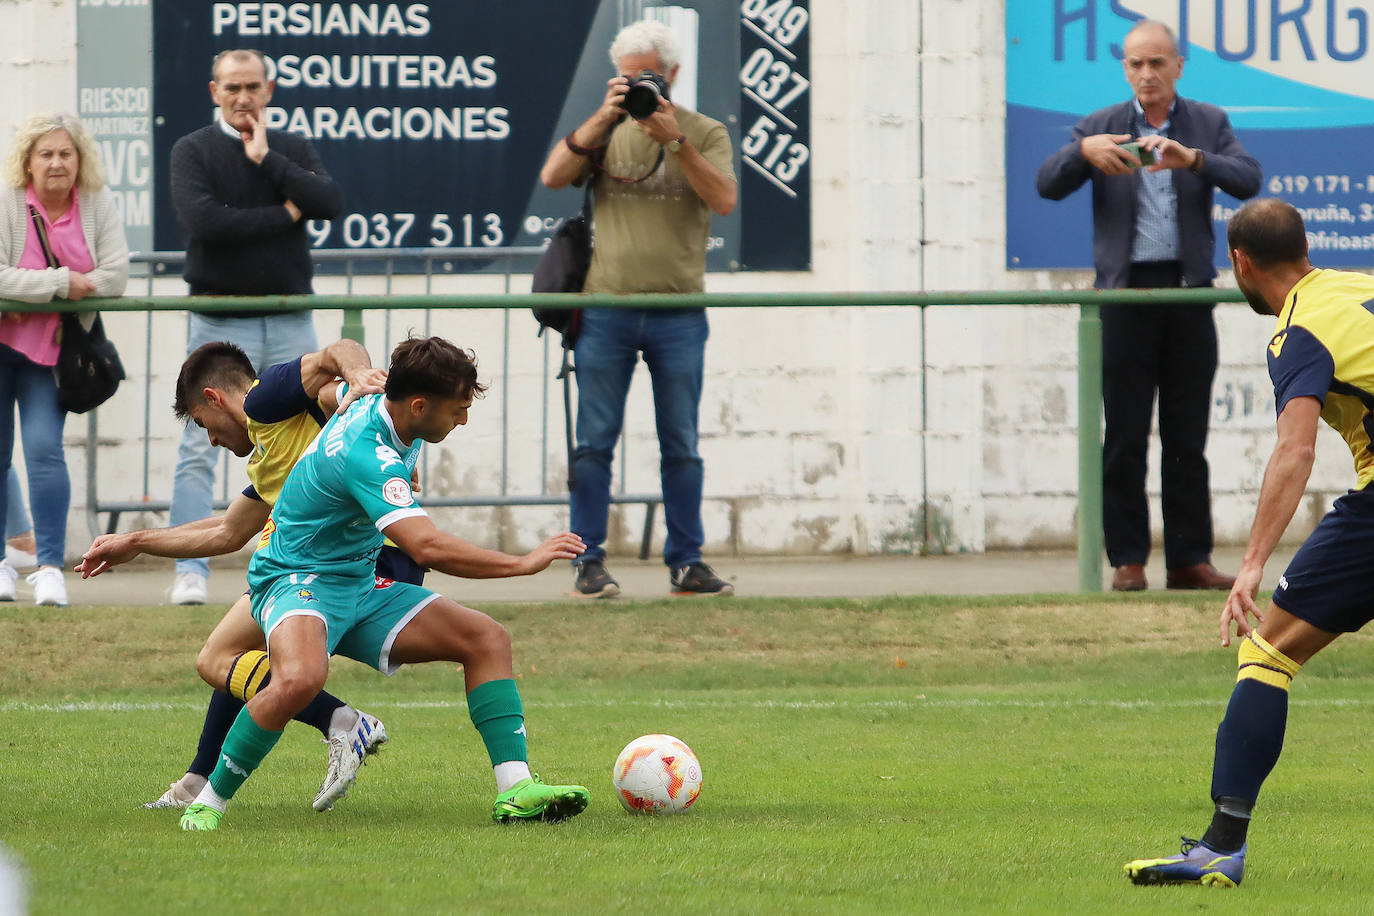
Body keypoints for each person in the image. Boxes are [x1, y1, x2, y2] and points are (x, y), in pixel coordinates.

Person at [176, 337, 590, 831]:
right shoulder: (366, 452)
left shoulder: (388, 408)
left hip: (357, 580)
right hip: (293, 579)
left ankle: (517, 788)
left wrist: (356, 374)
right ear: (419, 405)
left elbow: (345, 368)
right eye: (458, 410)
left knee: (486, 638)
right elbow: (427, 547)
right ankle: (210, 801)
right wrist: (522, 563)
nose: (463, 421)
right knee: (300, 679)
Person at [1123, 198, 1374, 886]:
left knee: (1266, 652)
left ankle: (1221, 845)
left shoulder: (1298, 332)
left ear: (1240, 263)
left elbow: (1294, 453)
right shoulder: (1359, 286)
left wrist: (1252, 565)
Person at [78, 338, 405, 812]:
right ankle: (198, 780)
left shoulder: (265, 400)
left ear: (213, 398)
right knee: (233, 652)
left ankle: (342, 722)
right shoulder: (273, 452)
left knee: (220, 655)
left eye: (200, 423)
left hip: (364, 561)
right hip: (359, 560)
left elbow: (341, 351)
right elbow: (228, 531)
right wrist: (135, 542)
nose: (209, 438)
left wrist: (358, 377)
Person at [1036, 20, 1262, 592]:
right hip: (1123, 294)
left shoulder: (1207, 122)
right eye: (1136, 63)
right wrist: (1081, 151)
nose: (1147, 74)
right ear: (1125, 69)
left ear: (1178, 67)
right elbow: (1047, 185)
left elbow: (1249, 179)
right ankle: (1127, 559)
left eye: (1157, 62)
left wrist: (1194, 160)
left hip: (1187, 294)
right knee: (1125, 434)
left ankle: (1189, 560)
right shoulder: (1102, 127)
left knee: (1187, 435)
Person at [539, 19, 737, 599]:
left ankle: (688, 561)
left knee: (681, 442)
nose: (638, 87)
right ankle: (588, 560)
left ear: (673, 74)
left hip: (679, 310)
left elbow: (724, 199)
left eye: (647, 76)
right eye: (626, 78)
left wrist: (674, 139)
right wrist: (605, 115)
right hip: (606, 310)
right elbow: (553, 175)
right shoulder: (604, 131)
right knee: (594, 441)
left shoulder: (706, 131)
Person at [166, 48, 342, 605]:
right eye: (231, 87)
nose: (243, 97)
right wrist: (286, 215)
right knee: (200, 446)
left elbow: (328, 202)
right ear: (214, 91)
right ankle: (191, 571)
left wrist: (268, 161)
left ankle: (306, 556)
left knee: (311, 437)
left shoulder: (286, 147)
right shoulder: (192, 149)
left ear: (269, 89)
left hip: (289, 317)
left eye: (252, 87)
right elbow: (207, 224)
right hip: (218, 320)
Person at [0, 112, 130, 606]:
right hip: (1, 345)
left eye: (66, 153)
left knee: (43, 452)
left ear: (80, 160)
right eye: (46, 154)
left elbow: (116, 275)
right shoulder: (8, 201)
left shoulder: (96, 202)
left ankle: (50, 567)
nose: (56, 163)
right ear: (28, 162)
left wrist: (77, 287)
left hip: (51, 353)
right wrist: (61, 284)